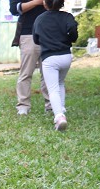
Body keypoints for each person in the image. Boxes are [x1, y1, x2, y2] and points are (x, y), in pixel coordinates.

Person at [32, 0, 77, 131]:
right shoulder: (67, 16)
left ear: (45, 3)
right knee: (60, 83)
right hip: (66, 56)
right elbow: (73, 32)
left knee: (52, 89)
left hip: (49, 58)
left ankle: (59, 116)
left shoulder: (40, 19)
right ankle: (61, 108)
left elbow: (36, 39)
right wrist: (69, 39)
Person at [9, 0, 50, 116]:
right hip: (28, 33)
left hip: (49, 32)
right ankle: (23, 105)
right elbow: (14, 9)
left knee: (48, 72)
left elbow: (57, 5)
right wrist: (37, 2)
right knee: (26, 72)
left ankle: (51, 105)